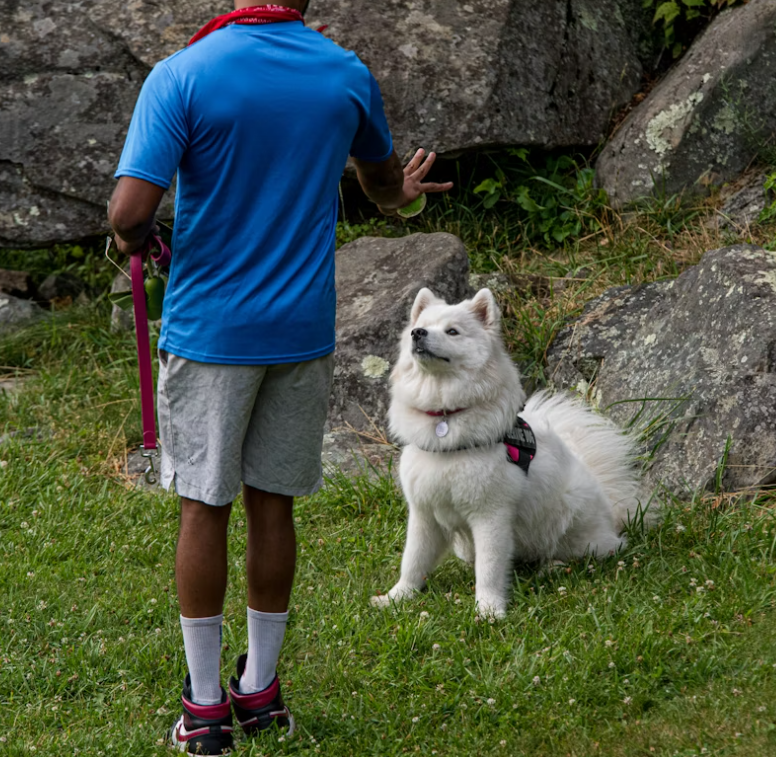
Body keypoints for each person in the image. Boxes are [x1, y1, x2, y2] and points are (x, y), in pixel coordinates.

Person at [107, 1, 452, 753]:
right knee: (274, 507)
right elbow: (383, 185)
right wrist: (406, 196)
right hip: (300, 329)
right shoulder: (343, 74)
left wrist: (141, 239)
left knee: (204, 505)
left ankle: (203, 712)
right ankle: (260, 691)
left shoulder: (184, 74)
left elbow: (129, 211)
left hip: (211, 332)